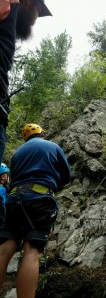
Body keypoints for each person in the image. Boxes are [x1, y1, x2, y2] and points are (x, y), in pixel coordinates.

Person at [0, 123, 71, 298]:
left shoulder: (17, 153)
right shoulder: (52, 146)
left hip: (13, 200)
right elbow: (66, 175)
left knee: (4, 249)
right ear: (41, 133)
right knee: (32, 252)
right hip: (39, 199)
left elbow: (13, 179)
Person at [0, 0, 52, 163]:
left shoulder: (19, 153)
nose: (36, 19)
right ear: (29, 1)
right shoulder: (7, 3)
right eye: (39, 10)